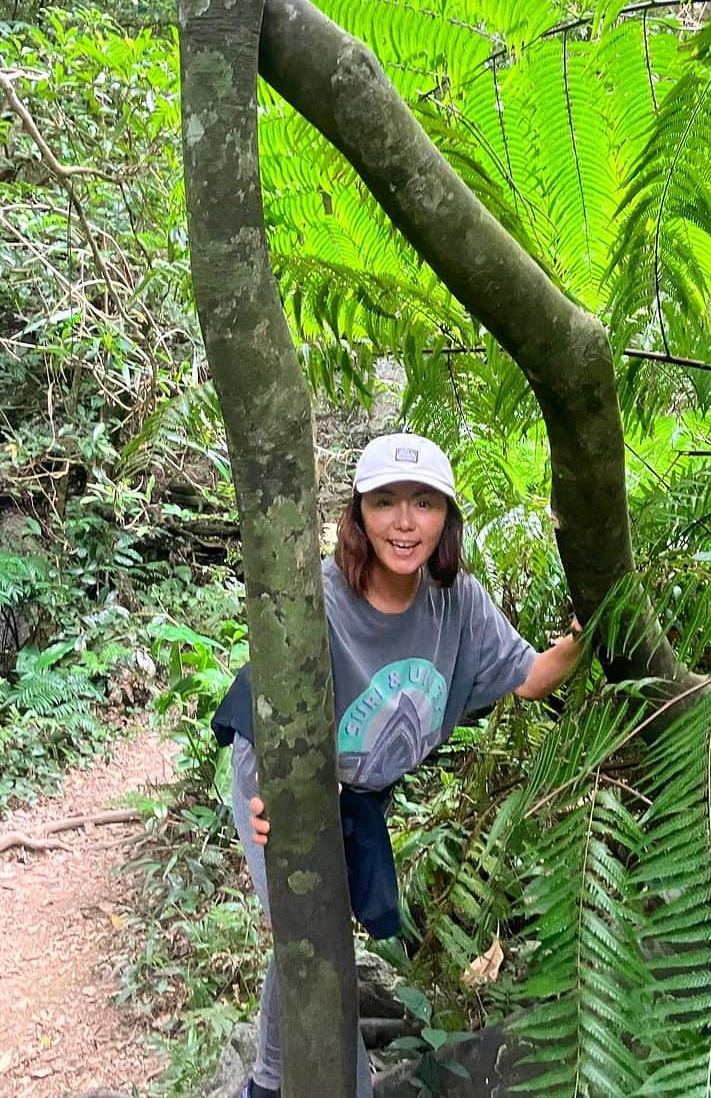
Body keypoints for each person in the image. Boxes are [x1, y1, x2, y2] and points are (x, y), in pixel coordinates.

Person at [212, 433, 584, 1098]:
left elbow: (528, 676)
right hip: (283, 776)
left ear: (447, 516)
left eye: (424, 502)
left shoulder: (456, 601)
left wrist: (594, 628)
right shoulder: (318, 597)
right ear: (357, 515)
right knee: (314, 940)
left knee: (310, 941)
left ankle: (267, 1082)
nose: (405, 522)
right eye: (385, 502)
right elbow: (277, 709)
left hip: (356, 789)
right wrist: (281, 801)